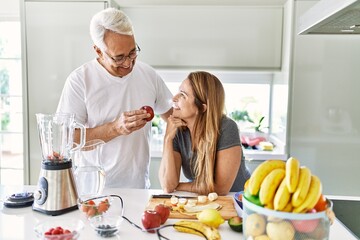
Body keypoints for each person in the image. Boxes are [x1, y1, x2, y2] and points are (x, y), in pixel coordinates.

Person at [57, 8, 173, 189]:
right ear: (98, 51)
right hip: (93, 192)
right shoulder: (80, 81)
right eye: (119, 58)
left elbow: (173, 118)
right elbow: (67, 140)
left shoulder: (148, 75)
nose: (128, 63)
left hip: (139, 189)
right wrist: (115, 128)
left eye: (133, 52)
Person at [158, 71, 251, 196]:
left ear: (202, 108)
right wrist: (167, 139)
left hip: (237, 199)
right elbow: (168, 185)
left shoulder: (226, 127)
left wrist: (179, 185)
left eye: (183, 95)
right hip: (203, 197)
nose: (174, 98)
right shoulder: (177, 130)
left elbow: (221, 188)